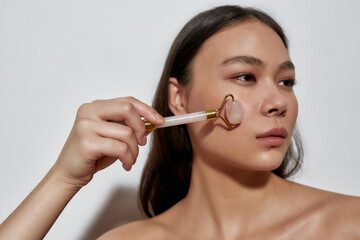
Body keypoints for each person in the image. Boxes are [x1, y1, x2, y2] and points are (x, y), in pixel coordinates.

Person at [1, 5, 359, 240]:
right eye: (245, 77)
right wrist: (63, 179)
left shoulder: (348, 224)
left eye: (286, 82)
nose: (279, 101)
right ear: (179, 98)